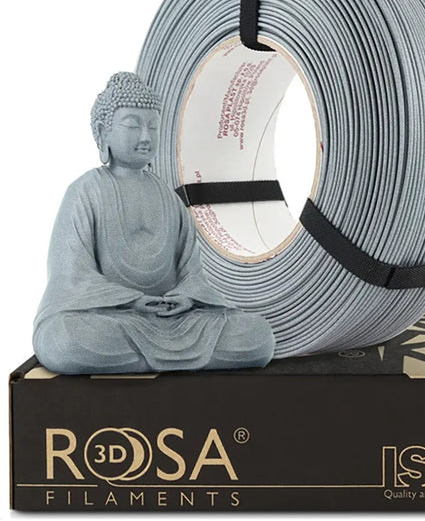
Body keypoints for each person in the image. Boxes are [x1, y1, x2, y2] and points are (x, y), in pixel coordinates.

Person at [33, 72, 275, 373]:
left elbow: (191, 271)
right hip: (115, 317)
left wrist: (186, 297)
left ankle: (139, 362)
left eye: (153, 126)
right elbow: (71, 277)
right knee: (64, 341)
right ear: (103, 132)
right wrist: (131, 301)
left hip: (174, 321)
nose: (146, 137)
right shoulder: (85, 192)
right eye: (133, 126)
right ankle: (177, 362)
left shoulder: (169, 197)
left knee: (256, 336)